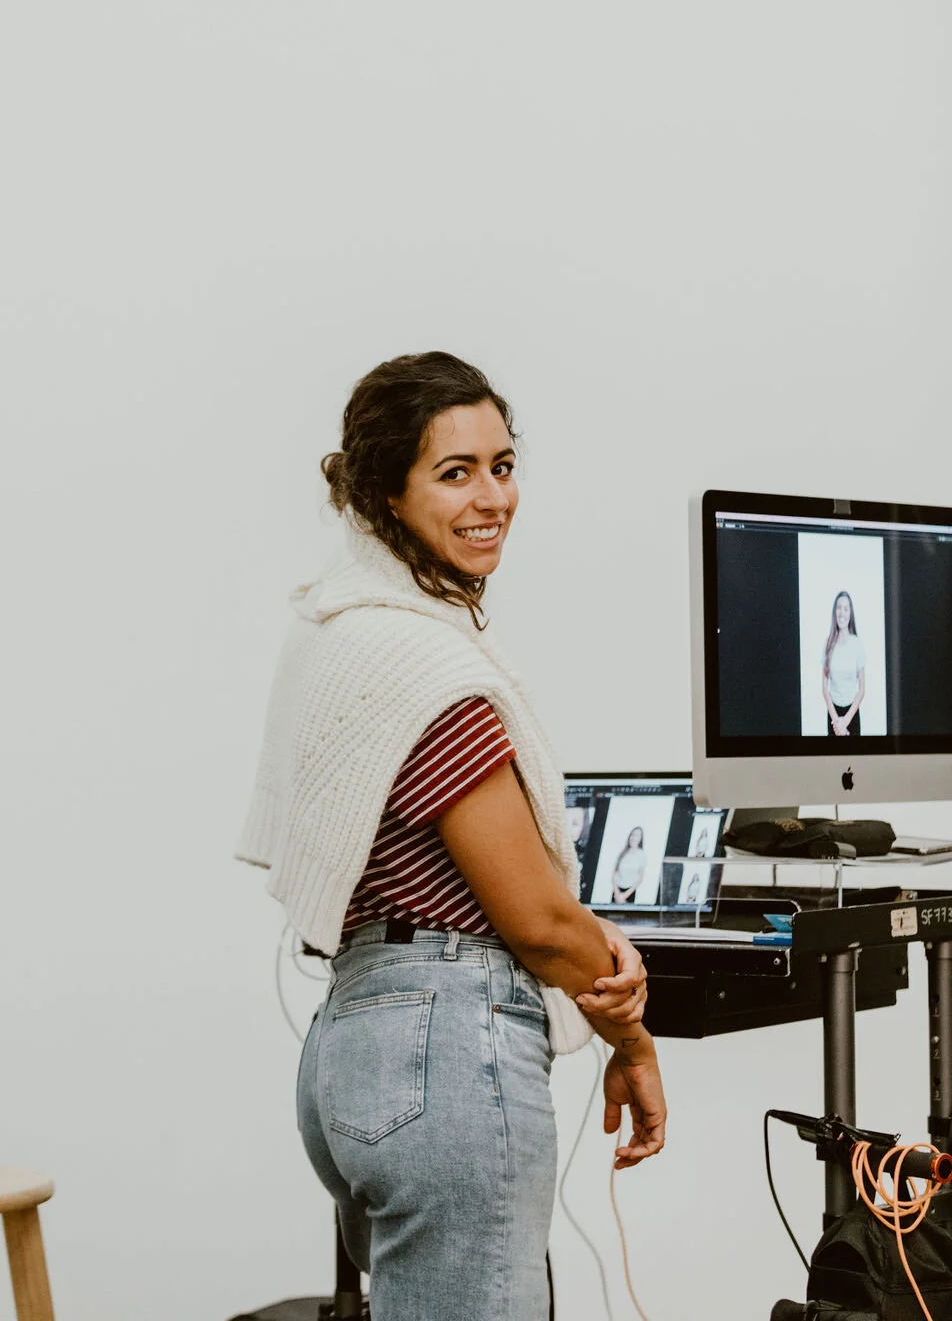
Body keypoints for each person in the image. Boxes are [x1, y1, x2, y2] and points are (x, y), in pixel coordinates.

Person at [237, 352, 667, 1321]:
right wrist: (633, 1043)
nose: (492, 498)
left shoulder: (335, 625)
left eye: (502, 465)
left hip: (352, 1047)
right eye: (454, 471)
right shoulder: (423, 670)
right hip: (448, 1059)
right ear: (388, 493)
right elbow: (540, 924)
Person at [822, 590, 866, 737]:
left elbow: (862, 689)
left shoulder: (857, 644)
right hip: (833, 717)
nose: (842, 612)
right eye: (839, 608)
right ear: (835, 612)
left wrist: (846, 721)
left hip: (851, 716)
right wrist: (837, 722)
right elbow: (824, 688)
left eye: (846, 608)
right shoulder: (828, 644)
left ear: (850, 613)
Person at [612, 825, 647, 904]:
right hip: (617, 893)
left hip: (629, 893)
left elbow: (640, 878)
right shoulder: (622, 853)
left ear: (640, 839)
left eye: (637, 836)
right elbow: (614, 875)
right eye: (633, 835)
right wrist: (617, 894)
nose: (634, 838)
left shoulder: (642, 855)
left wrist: (625, 895)